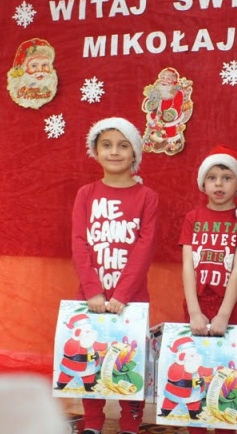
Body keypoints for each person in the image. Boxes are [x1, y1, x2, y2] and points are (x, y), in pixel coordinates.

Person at [71, 117, 159, 434]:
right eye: (106, 145)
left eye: (123, 146)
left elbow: (145, 248)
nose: (114, 152)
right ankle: (93, 422)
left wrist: (122, 295)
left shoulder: (147, 196)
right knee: (90, 359)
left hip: (131, 299)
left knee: (129, 362)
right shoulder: (86, 194)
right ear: (95, 151)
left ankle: (130, 424)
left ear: (134, 153)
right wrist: (92, 291)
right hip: (91, 297)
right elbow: (79, 242)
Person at [177, 145, 237, 434]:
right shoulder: (192, 218)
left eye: (226, 177)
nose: (219, 184)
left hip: (231, 307)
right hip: (197, 305)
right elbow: (187, 267)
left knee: (226, 374)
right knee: (196, 372)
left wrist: (224, 315)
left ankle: (225, 428)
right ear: (203, 184)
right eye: (212, 177)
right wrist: (194, 311)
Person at [6, 38, 58, 109]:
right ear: (23, 68)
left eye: (45, 65)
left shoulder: (50, 85)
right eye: (34, 65)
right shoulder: (18, 86)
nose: (40, 70)